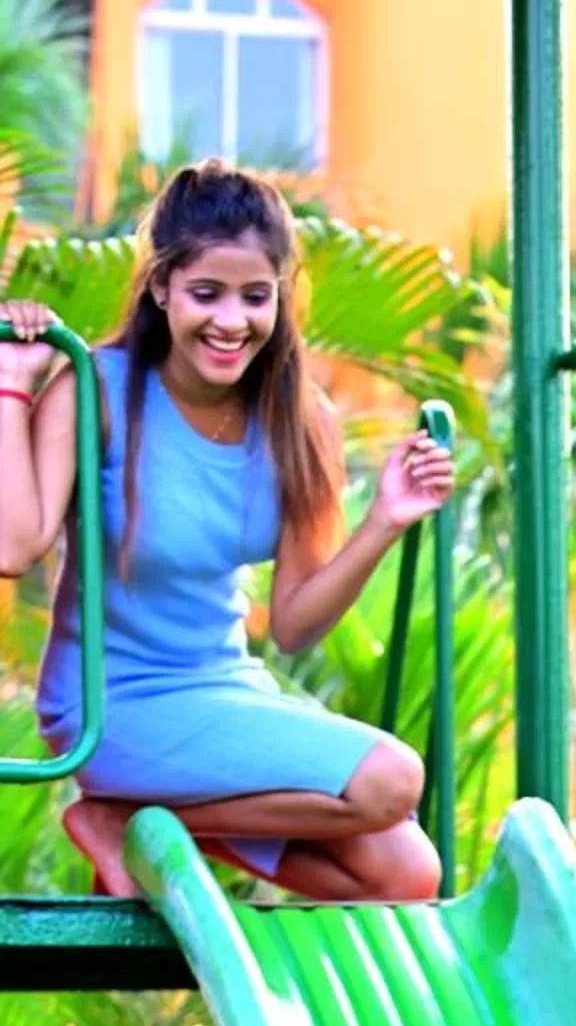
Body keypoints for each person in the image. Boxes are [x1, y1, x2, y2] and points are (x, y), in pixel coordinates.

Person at [0, 159, 452, 905]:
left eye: (255, 297)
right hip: (113, 704)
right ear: (161, 288)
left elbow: (299, 625)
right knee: (391, 778)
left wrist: (384, 521)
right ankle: (126, 813)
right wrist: (13, 381)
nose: (231, 321)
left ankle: (128, 821)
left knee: (406, 875)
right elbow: (14, 546)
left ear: (280, 298)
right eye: (206, 294)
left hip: (222, 688)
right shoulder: (100, 390)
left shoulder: (300, 422)